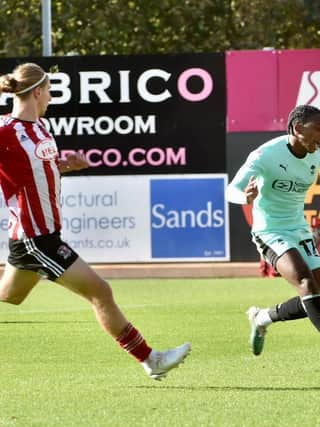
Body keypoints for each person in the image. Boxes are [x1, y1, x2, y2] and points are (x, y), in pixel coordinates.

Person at [0, 63, 190, 380]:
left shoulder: (41, 129)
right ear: (36, 92)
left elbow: (34, 172)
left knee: (11, 296)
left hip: (35, 237)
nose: (49, 97)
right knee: (100, 291)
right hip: (37, 238)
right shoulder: (5, 132)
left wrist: (64, 166)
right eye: (48, 91)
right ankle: (150, 359)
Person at [225, 104, 320, 375]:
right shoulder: (265, 155)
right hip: (269, 230)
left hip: (298, 229)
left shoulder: (316, 156)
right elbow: (232, 190)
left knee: (319, 299)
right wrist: (246, 198)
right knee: (305, 282)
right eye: (318, 130)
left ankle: (263, 317)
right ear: (298, 128)